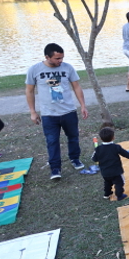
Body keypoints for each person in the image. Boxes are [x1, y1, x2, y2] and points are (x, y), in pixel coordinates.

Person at [24, 43, 89, 180]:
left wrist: (83, 105)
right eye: (57, 58)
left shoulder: (68, 68)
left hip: (69, 111)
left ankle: (75, 158)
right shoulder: (34, 70)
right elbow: (29, 91)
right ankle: (55, 168)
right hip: (49, 114)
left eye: (62, 58)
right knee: (52, 141)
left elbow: (77, 87)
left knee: (73, 137)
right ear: (47, 57)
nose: (61, 61)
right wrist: (33, 112)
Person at [91, 126, 129, 201]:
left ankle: (107, 194)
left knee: (107, 183)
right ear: (113, 137)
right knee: (119, 183)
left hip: (105, 172)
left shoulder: (98, 149)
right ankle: (119, 195)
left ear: (100, 139)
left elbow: (94, 159)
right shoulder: (116, 147)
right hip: (116, 171)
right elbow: (125, 154)